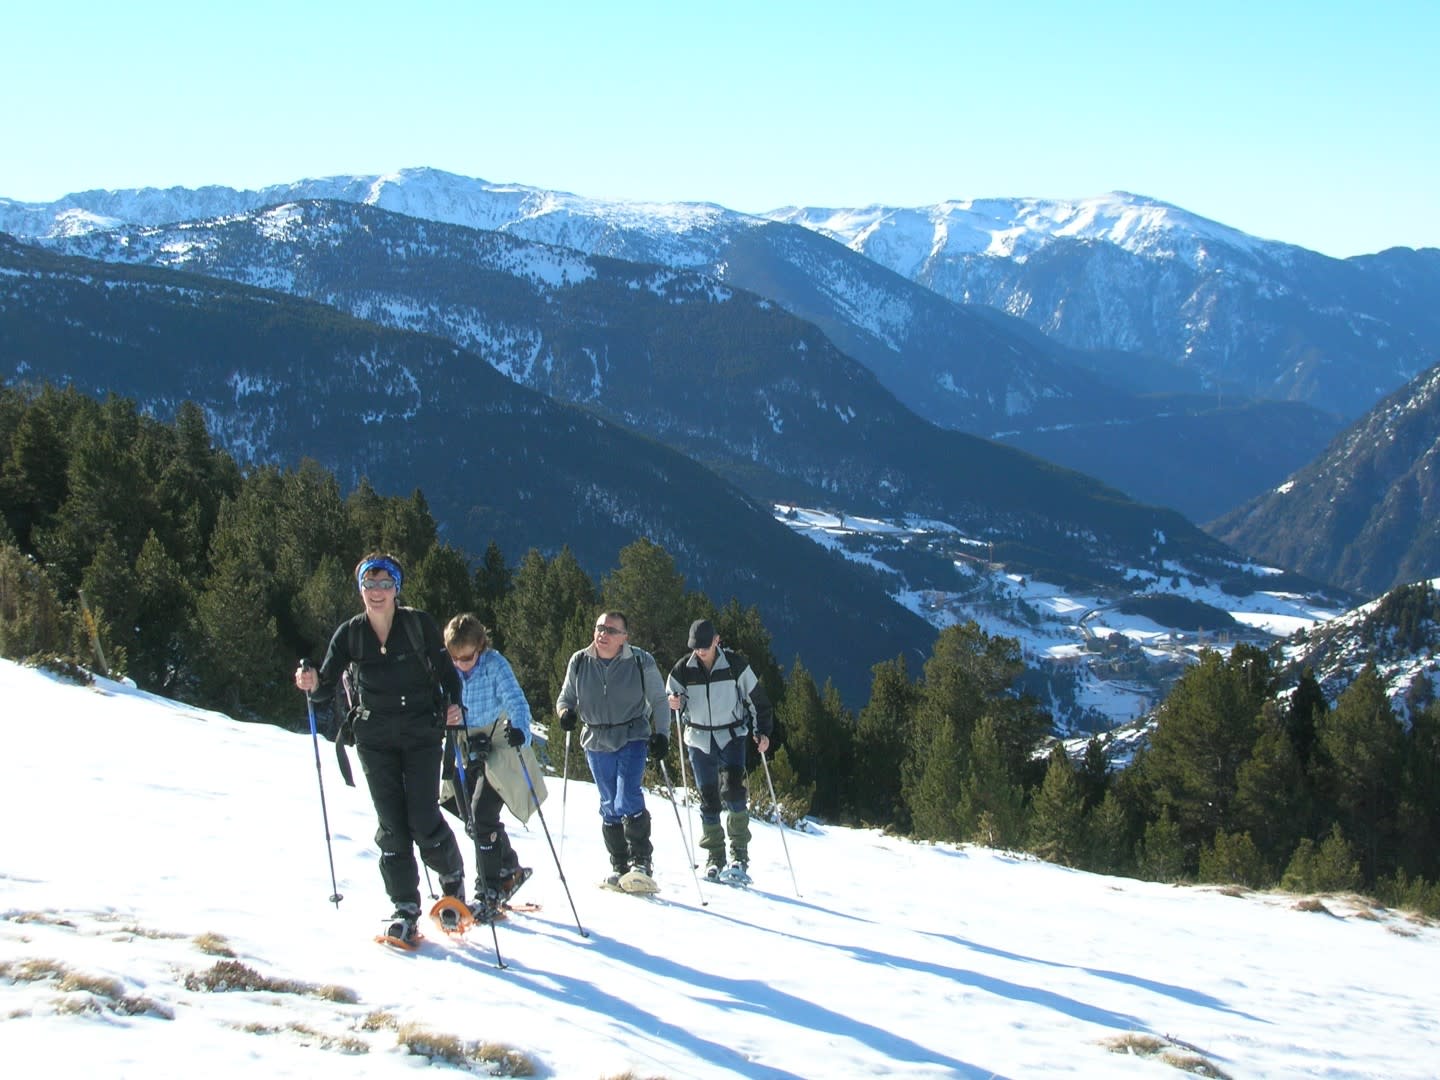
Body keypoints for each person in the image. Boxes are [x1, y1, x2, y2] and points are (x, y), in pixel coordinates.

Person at [294, 552, 466, 944]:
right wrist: (310, 680)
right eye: (369, 585)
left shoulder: (418, 625)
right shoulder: (350, 634)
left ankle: (452, 879)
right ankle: (405, 907)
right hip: (374, 740)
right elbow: (324, 686)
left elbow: (446, 674)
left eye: (384, 584)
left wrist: (454, 706)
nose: (377, 592)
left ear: (396, 589)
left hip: (422, 734)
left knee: (422, 819)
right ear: (360, 590)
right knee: (391, 825)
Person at [556, 610, 671, 891]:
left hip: (632, 734)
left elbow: (659, 700)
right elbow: (566, 698)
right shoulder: (580, 661)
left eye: (610, 630)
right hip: (595, 738)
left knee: (626, 795)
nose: (602, 634)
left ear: (624, 638)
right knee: (608, 802)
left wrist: (662, 735)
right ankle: (619, 865)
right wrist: (564, 714)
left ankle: (641, 862)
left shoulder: (641, 661)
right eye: (599, 628)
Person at [666, 618, 773, 884]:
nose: (700, 651)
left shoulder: (735, 665)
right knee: (709, 797)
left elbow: (757, 700)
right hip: (698, 738)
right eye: (695, 646)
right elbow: (669, 699)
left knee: (733, 790)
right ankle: (715, 856)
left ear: (717, 640)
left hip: (732, 735)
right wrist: (673, 702)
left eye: (704, 645)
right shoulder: (682, 669)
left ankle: (739, 855)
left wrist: (763, 732)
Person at [442, 613, 533, 921]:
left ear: (480, 647)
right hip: (464, 744)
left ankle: (489, 890)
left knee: (481, 815)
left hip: (497, 743)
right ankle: (507, 865)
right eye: (456, 657)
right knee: (463, 810)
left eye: (467, 657)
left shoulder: (494, 664)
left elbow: (517, 702)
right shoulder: (447, 667)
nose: (462, 663)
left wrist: (520, 730)